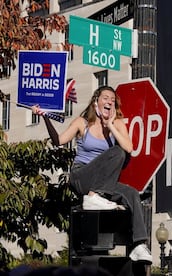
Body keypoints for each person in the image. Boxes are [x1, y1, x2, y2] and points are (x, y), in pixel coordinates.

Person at [32, 85, 152, 263]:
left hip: (103, 185)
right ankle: (93, 197)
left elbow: (129, 148)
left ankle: (138, 245)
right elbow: (59, 141)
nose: (109, 102)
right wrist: (44, 117)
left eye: (113, 100)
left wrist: (110, 126)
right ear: (96, 101)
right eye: (105, 98)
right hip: (82, 177)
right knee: (117, 153)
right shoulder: (82, 122)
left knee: (132, 193)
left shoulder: (117, 123)